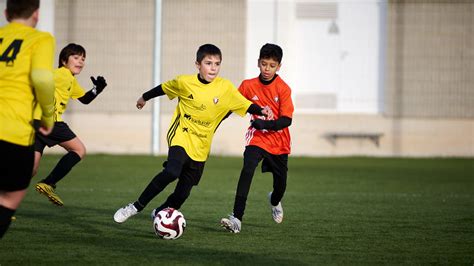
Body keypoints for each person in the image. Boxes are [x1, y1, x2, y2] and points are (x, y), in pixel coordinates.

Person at [113, 44, 270, 224]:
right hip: (181, 135)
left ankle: (160, 211)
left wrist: (262, 110)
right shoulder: (184, 82)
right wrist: (144, 97)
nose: (213, 68)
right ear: (198, 64)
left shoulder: (225, 88)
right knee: (172, 171)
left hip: (201, 146)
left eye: (217, 64)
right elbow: (163, 88)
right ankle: (135, 207)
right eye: (208, 63)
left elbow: (245, 104)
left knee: (183, 193)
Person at [220, 43, 294, 233]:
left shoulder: (283, 89)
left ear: (279, 66)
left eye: (271, 65)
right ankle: (236, 218)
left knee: (280, 186)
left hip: (279, 143)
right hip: (257, 138)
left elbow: (286, 120)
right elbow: (232, 106)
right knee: (247, 168)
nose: (267, 69)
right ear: (258, 63)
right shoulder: (248, 85)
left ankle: (274, 200)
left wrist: (266, 124)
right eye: (264, 64)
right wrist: (215, 122)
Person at [0, 0, 55, 238]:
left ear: (6, 13)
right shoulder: (40, 39)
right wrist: (47, 116)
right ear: (37, 14)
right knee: (9, 197)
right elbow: (42, 79)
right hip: (14, 133)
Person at [33, 43, 108, 206]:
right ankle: (48, 183)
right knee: (79, 149)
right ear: (63, 60)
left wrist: (96, 90)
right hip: (49, 122)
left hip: (36, 123)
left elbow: (85, 99)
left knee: (30, 170)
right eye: (76, 57)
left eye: (83, 59)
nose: (80, 61)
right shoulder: (62, 74)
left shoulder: (70, 79)